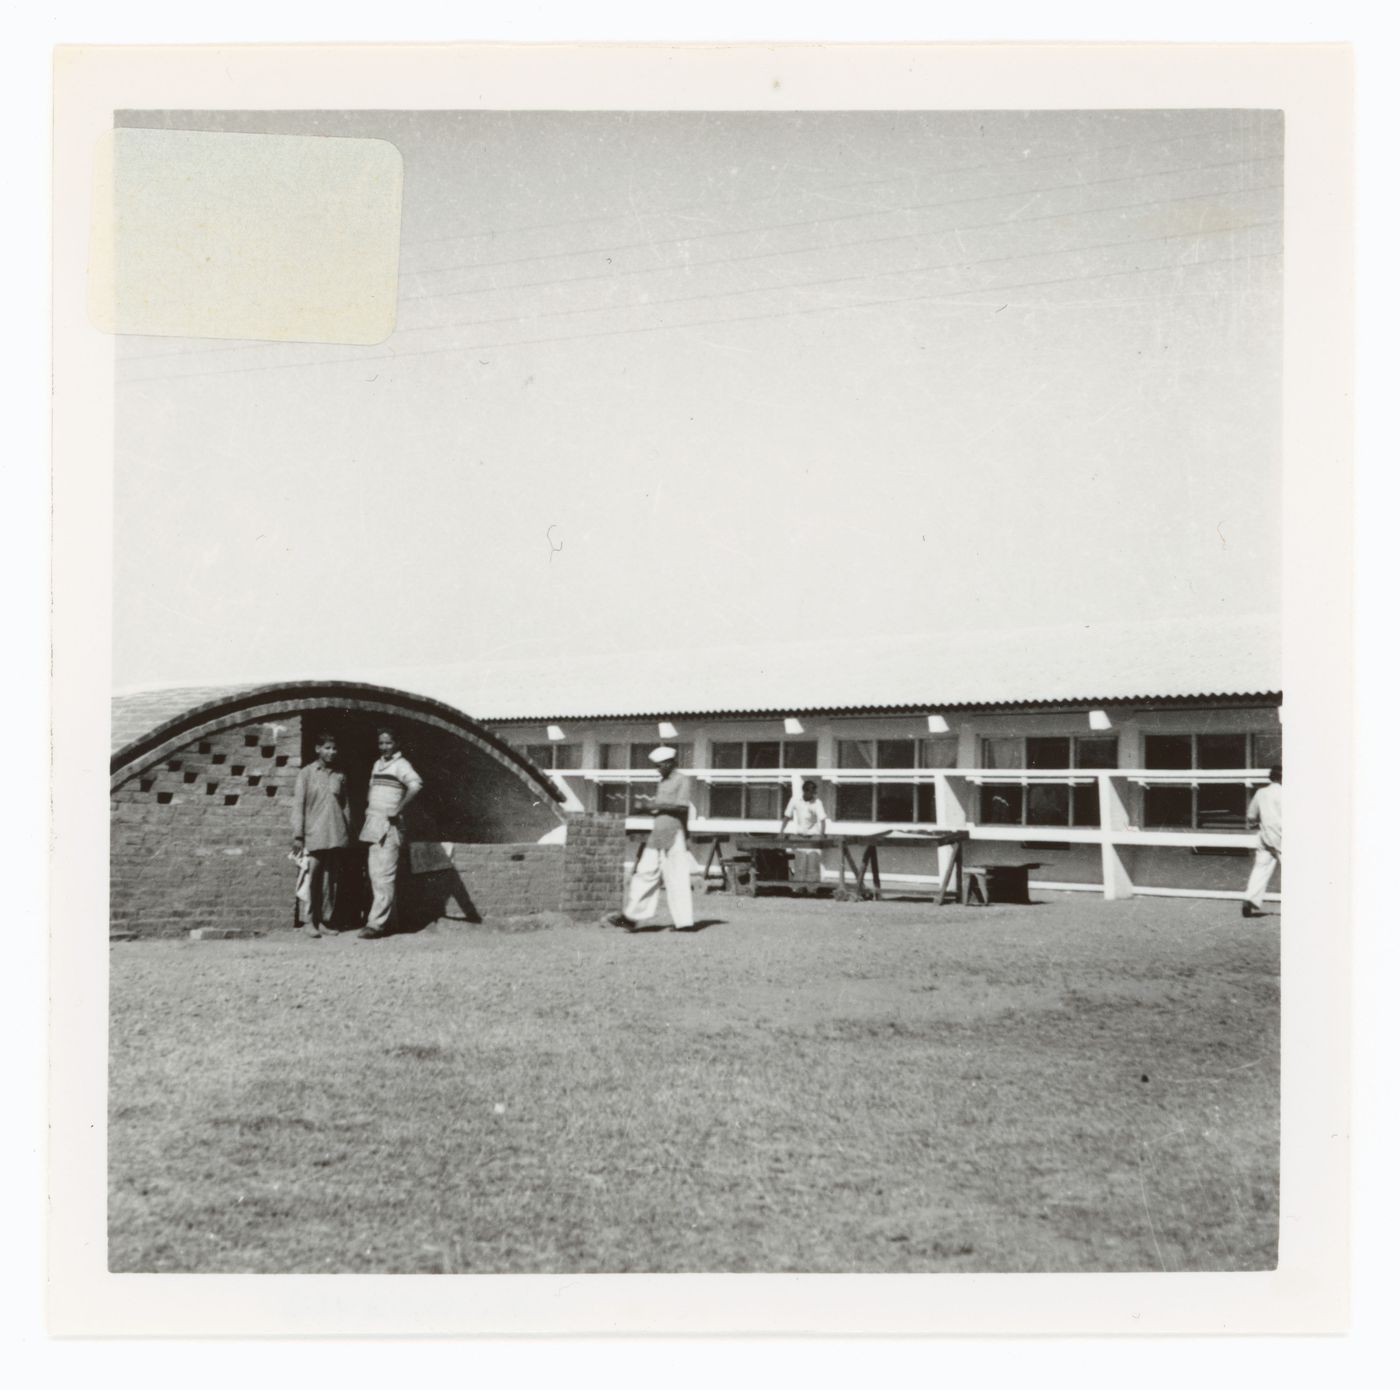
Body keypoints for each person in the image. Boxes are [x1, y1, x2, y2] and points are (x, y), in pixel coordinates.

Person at [603, 746, 696, 933]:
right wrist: (649, 808)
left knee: (676, 877)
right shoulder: (663, 782)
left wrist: (651, 806)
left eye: (660, 765)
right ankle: (632, 917)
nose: (658, 769)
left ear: (670, 763)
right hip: (658, 832)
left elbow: (682, 808)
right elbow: (663, 808)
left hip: (674, 832)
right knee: (645, 872)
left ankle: (684, 923)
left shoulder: (682, 780)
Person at [357, 726, 423, 940]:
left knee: (384, 876)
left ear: (397, 744)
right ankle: (389, 922)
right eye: (381, 743)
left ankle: (376, 925)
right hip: (374, 824)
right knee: (376, 875)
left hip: (390, 826)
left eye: (388, 743)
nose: (384, 747)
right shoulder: (378, 764)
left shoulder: (402, 765)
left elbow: (416, 785)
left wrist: (399, 808)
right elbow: (371, 788)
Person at [291, 731, 351, 937]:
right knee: (311, 879)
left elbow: (345, 806)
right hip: (313, 835)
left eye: (334, 748)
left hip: (335, 834)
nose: (331, 752)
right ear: (318, 749)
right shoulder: (306, 774)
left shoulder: (340, 776)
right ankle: (308, 921)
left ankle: (325, 920)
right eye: (327, 748)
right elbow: (298, 805)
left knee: (330, 881)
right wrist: (298, 835)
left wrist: (346, 831)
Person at [1242, 763, 1282, 918]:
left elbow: (1251, 816)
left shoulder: (1260, 792)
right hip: (1283, 836)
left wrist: (1257, 822)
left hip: (1265, 836)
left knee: (1260, 869)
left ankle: (1250, 898)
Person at [780, 779, 829, 895]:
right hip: (800, 836)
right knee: (800, 863)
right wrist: (781, 831)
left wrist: (822, 835)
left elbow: (822, 820)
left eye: (814, 793)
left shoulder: (817, 802)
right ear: (805, 791)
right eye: (812, 792)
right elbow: (787, 816)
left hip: (813, 836)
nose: (813, 795)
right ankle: (799, 888)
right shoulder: (795, 800)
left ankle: (812, 890)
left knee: (813, 863)